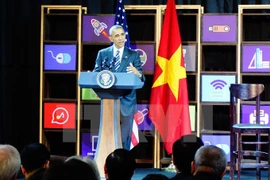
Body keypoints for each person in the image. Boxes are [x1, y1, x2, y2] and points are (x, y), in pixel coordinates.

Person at [93, 24, 145, 149]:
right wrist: (94, 76)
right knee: (109, 135)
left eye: (123, 34)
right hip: (108, 100)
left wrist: (137, 73)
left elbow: (141, 78)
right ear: (111, 38)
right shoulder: (103, 54)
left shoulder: (133, 55)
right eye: (117, 36)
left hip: (127, 101)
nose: (121, 38)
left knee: (124, 137)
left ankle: (123, 163)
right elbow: (97, 73)